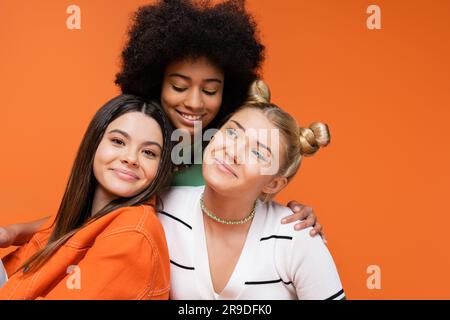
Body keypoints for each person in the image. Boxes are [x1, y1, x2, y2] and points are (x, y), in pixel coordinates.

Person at [0, 0, 322, 258]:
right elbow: (83, 218)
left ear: (229, 94)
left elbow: (249, 212)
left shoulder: (224, 156)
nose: (195, 102)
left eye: (210, 91)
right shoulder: (133, 148)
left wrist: (289, 214)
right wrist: (14, 232)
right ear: (156, 82)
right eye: (179, 86)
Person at [158, 80, 345, 299]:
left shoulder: (296, 237)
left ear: (273, 183)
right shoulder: (163, 209)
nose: (233, 152)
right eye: (232, 134)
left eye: (258, 153)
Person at [0, 95, 173, 299]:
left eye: (149, 153)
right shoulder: (91, 216)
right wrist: (12, 232)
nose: (131, 158)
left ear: (160, 167)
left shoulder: (134, 233)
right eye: (118, 141)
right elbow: (59, 227)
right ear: (94, 143)